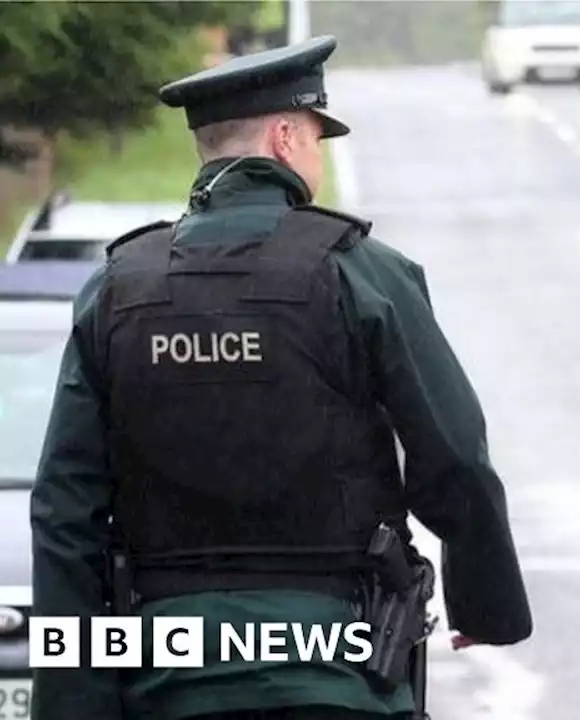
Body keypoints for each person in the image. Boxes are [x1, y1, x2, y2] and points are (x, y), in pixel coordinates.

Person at [30, 35, 533, 720]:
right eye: (318, 138)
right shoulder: (361, 273)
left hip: (168, 680)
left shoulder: (117, 289)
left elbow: (66, 513)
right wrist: (486, 605)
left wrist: (76, 702)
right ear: (286, 135)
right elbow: (455, 454)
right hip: (339, 674)